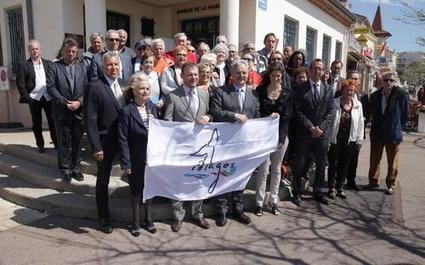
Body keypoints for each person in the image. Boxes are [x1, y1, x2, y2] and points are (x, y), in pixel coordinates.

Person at [210, 60, 260, 227]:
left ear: (248, 74)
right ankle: (222, 211)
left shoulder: (254, 94)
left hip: (244, 145)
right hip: (225, 144)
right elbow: (215, 112)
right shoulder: (221, 91)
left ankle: (238, 210)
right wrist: (234, 116)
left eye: (244, 72)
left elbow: (258, 117)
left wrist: (270, 120)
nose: (241, 75)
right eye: (238, 72)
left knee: (240, 177)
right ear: (231, 74)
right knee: (223, 176)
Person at [164, 62, 211, 232]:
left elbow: (211, 113)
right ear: (182, 77)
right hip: (180, 147)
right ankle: (178, 217)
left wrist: (208, 117)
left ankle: (198, 214)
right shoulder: (172, 96)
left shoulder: (204, 94)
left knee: (199, 180)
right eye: (190, 75)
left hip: (200, 146)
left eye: (196, 75)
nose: (193, 78)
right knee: (178, 182)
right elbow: (168, 122)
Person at [85, 51, 126, 233]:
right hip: (105, 143)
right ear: (103, 67)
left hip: (124, 142)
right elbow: (90, 120)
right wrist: (96, 146)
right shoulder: (94, 87)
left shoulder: (125, 85)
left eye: (116, 64)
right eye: (109, 65)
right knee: (103, 181)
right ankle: (104, 218)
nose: (113, 68)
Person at [118, 73, 158, 236]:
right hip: (135, 158)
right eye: (141, 88)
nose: (145, 92)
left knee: (149, 189)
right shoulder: (127, 111)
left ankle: (148, 219)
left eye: (147, 89)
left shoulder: (152, 108)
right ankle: (135, 222)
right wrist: (126, 163)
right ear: (134, 90)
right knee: (136, 191)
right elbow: (122, 138)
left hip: (152, 157)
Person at [291, 58, 334, 206]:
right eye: (314, 68)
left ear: (323, 72)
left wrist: (321, 128)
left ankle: (318, 191)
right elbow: (297, 112)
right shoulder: (300, 89)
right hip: (304, 133)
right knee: (300, 163)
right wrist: (310, 127)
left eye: (320, 69)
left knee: (321, 164)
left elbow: (330, 111)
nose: (317, 71)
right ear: (309, 70)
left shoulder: (328, 89)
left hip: (322, 135)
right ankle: (296, 192)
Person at [254, 62, 293, 216]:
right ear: (268, 75)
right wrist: (267, 117)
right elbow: (257, 112)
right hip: (263, 137)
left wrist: (281, 140)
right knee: (263, 169)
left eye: (278, 76)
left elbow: (287, 117)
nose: (276, 78)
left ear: (282, 76)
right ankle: (259, 202)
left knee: (276, 169)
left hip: (280, 136)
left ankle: (273, 200)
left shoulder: (288, 93)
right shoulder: (261, 90)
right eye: (273, 75)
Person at [46, 38, 86, 182]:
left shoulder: (82, 67)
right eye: (68, 51)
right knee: (64, 142)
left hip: (78, 111)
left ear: (76, 53)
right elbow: (50, 87)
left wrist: (79, 102)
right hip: (61, 111)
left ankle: (76, 168)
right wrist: (64, 102)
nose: (70, 53)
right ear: (62, 51)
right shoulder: (54, 66)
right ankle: (65, 170)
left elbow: (87, 87)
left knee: (77, 141)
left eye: (73, 51)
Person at [367, 71, 409, 195]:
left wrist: (398, 127)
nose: (388, 83)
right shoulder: (375, 96)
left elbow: (405, 115)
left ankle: (391, 184)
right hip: (377, 132)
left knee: (393, 162)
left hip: (393, 133)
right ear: (381, 81)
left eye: (391, 80)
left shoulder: (401, 94)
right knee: (375, 159)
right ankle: (373, 181)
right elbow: (372, 113)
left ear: (395, 81)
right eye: (386, 80)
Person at [16, 39, 57, 153]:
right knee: (37, 123)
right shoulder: (24, 65)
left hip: (48, 97)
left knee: (53, 121)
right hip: (34, 98)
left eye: (36, 48)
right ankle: (40, 145)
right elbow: (20, 83)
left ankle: (56, 143)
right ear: (29, 51)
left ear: (40, 50)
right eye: (32, 49)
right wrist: (28, 98)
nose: (34, 51)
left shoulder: (49, 63)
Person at [327, 80, 364, 200]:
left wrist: (359, 140)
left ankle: (340, 187)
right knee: (333, 163)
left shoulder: (358, 105)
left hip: (350, 138)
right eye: (347, 90)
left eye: (352, 90)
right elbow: (329, 121)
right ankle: (331, 187)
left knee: (345, 163)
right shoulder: (334, 103)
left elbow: (360, 123)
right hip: (335, 136)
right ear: (342, 90)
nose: (349, 92)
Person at [345, 70, 370, 190]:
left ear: (359, 82)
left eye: (356, 79)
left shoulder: (363, 96)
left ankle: (351, 180)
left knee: (354, 158)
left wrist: (360, 131)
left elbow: (367, 114)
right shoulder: (340, 93)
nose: (354, 81)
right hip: (343, 132)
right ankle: (337, 181)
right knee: (341, 157)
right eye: (351, 78)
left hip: (356, 132)